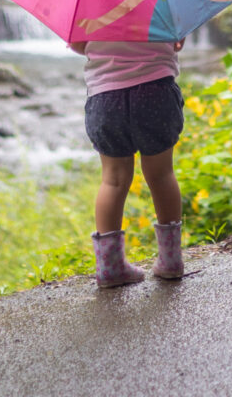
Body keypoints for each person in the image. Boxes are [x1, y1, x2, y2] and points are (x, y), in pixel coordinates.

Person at [72, 32, 187, 286]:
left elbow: (79, 44)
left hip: (105, 97)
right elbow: (178, 41)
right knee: (161, 174)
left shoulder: (88, 3)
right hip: (156, 91)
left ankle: (111, 267)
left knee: (113, 180)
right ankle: (170, 260)